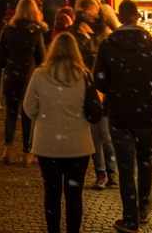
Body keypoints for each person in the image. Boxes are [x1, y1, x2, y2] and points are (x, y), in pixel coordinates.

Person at [93, 0, 152, 232]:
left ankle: (130, 219)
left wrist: (116, 91)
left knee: (126, 166)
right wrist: (150, 95)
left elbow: (98, 79)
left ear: (119, 16)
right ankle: (143, 209)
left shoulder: (108, 45)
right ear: (137, 17)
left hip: (119, 113)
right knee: (146, 160)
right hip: (147, 112)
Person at [24, 32, 97, 233]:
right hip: (78, 146)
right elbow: (94, 112)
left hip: (48, 145)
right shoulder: (84, 75)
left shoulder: (40, 74)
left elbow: (29, 108)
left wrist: (45, 114)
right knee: (74, 197)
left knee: (52, 194)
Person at [71, 0, 117, 191]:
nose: (96, 14)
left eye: (98, 11)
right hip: (87, 88)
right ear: (83, 11)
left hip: (103, 89)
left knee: (105, 134)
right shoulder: (76, 33)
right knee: (93, 134)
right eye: (93, 11)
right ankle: (101, 173)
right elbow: (81, 60)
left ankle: (111, 171)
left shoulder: (101, 32)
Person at [0, 0, 47, 166]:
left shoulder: (8, 30)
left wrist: (7, 64)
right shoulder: (36, 31)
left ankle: (7, 149)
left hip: (12, 73)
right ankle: (27, 152)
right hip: (29, 76)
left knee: (11, 112)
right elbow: (41, 57)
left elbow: (0, 57)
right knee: (28, 114)